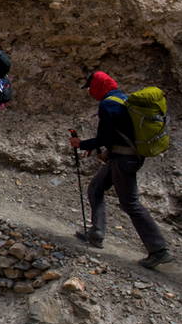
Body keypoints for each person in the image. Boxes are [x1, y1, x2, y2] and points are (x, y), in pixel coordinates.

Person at [69, 71, 173, 269]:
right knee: (96, 188)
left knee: (130, 203)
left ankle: (159, 250)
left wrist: (81, 143)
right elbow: (118, 134)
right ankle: (96, 233)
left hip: (123, 159)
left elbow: (105, 138)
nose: (90, 92)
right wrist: (99, 148)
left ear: (98, 86)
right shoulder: (123, 98)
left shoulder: (108, 104)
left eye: (90, 88)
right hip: (125, 156)